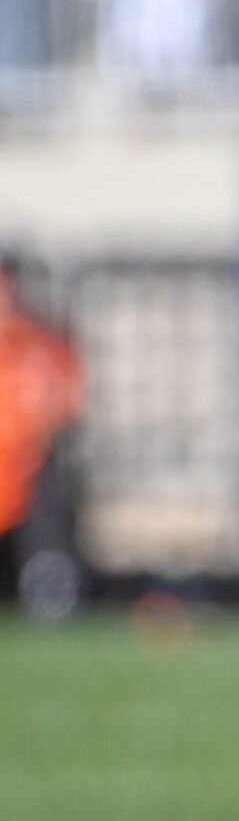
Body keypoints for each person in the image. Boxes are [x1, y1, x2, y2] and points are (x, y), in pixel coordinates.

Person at [0, 256, 80, 603]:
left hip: (24, 467)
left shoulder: (37, 345)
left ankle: (49, 583)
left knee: (45, 488)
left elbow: (64, 401)